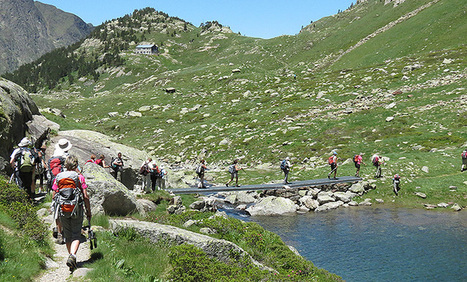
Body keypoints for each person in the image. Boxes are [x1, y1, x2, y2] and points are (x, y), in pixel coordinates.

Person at [51, 155, 91, 273]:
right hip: (76, 209)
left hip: (63, 209)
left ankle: (71, 257)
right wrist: (88, 211)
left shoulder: (58, 177)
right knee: (76, 235)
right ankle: (73, 255)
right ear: (76, 165)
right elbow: (85, 196)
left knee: (67, 236)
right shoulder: (79, 177)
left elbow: (53, 195)